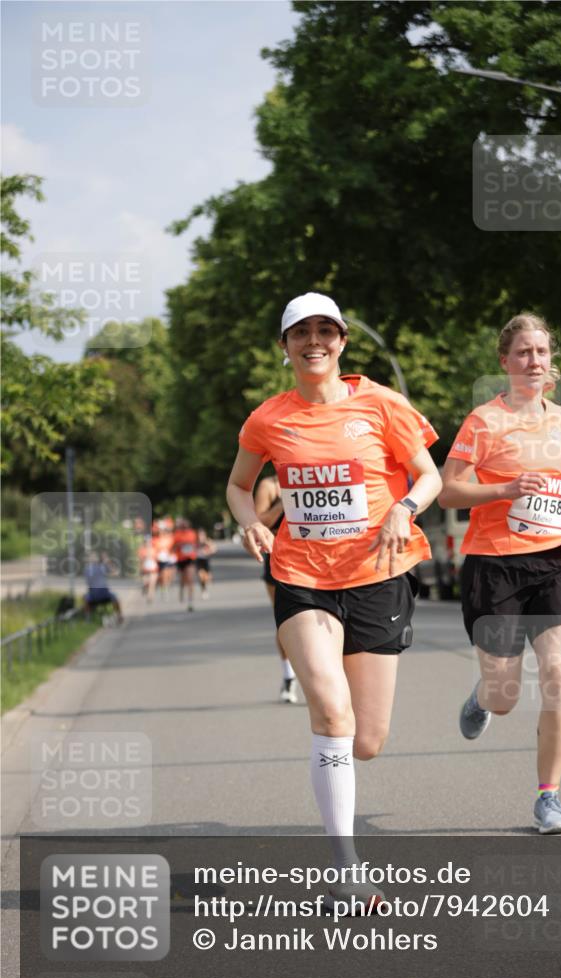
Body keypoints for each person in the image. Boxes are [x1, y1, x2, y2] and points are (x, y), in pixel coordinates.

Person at [226, 292, 442, 912]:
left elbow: (428, 474)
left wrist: (405, 508)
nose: (313, 341)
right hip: (301, 576)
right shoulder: (268, 418)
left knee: (367, 739)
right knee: (331, 711)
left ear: (342, 341)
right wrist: (251, 522)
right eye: (301, 332)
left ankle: (338, 755)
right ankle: (347, 869)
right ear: (285, 346)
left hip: (377, 576)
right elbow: (240, 485)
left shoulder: (382, 403)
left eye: (326, 330)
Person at [439, 312, 561, 834]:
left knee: (559, 677)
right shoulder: (483, 421)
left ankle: (548, 798)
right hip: (496, 565)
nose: (534, 360)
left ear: (551, 362)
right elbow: (449, 490)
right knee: (505, 697)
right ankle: (483, 696)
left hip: (555, 558)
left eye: (542, 352)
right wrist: (505, 490)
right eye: (524, 353)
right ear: (505, 362)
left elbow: (554, 485)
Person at [254, 474, 299, 704]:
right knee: (287, 621)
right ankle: (289, 675)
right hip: (279, 560)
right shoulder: (269, 486)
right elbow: (259, 522)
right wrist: (285, 500)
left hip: (317, 558)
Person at [83, 551, 123, 623]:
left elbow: (116, 573)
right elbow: (116, 573)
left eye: (94, 557)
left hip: (101, 594)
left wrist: (107, 562)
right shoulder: (91, 568)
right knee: (86, 598)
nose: (93, 559)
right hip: (98, 594)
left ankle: (119, 616)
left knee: (86, 598)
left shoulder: (100, 567)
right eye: (92, 557)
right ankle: (88, 618)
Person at [173, 518, 198, 611]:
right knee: (183, 579)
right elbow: (173, 548)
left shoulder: (192, 533)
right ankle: (181, 591)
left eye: (186, 525)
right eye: (183, 525)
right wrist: (179, 545)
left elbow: (195, 545)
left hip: (190, 559)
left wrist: (192, 547)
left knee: (190, 579)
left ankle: (190, 601)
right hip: (180, 559)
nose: (185, 527)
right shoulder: (177, 534)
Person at [195, 527, 216, 599]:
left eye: (202, 535)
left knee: (207, 578)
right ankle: (204, 590)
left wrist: (208, 551)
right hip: (198, 560)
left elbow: (214, 549)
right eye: (199, 535)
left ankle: (207, 583)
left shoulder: (208, 541)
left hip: (206, 560)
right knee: (201, 577)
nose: (200, 537)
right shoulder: (195, 542)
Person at [137, 534, 159, 604]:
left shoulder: (155, 549)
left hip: (153, 569)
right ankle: (145, 588)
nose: (148, 543)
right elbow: (140, 560)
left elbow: (157, 559)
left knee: (152, 584)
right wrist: (140, 569)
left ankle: (150, 597)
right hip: (145, 569)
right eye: (146, 541)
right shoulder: (142, 550)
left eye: (149, 541)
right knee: (146, 583)